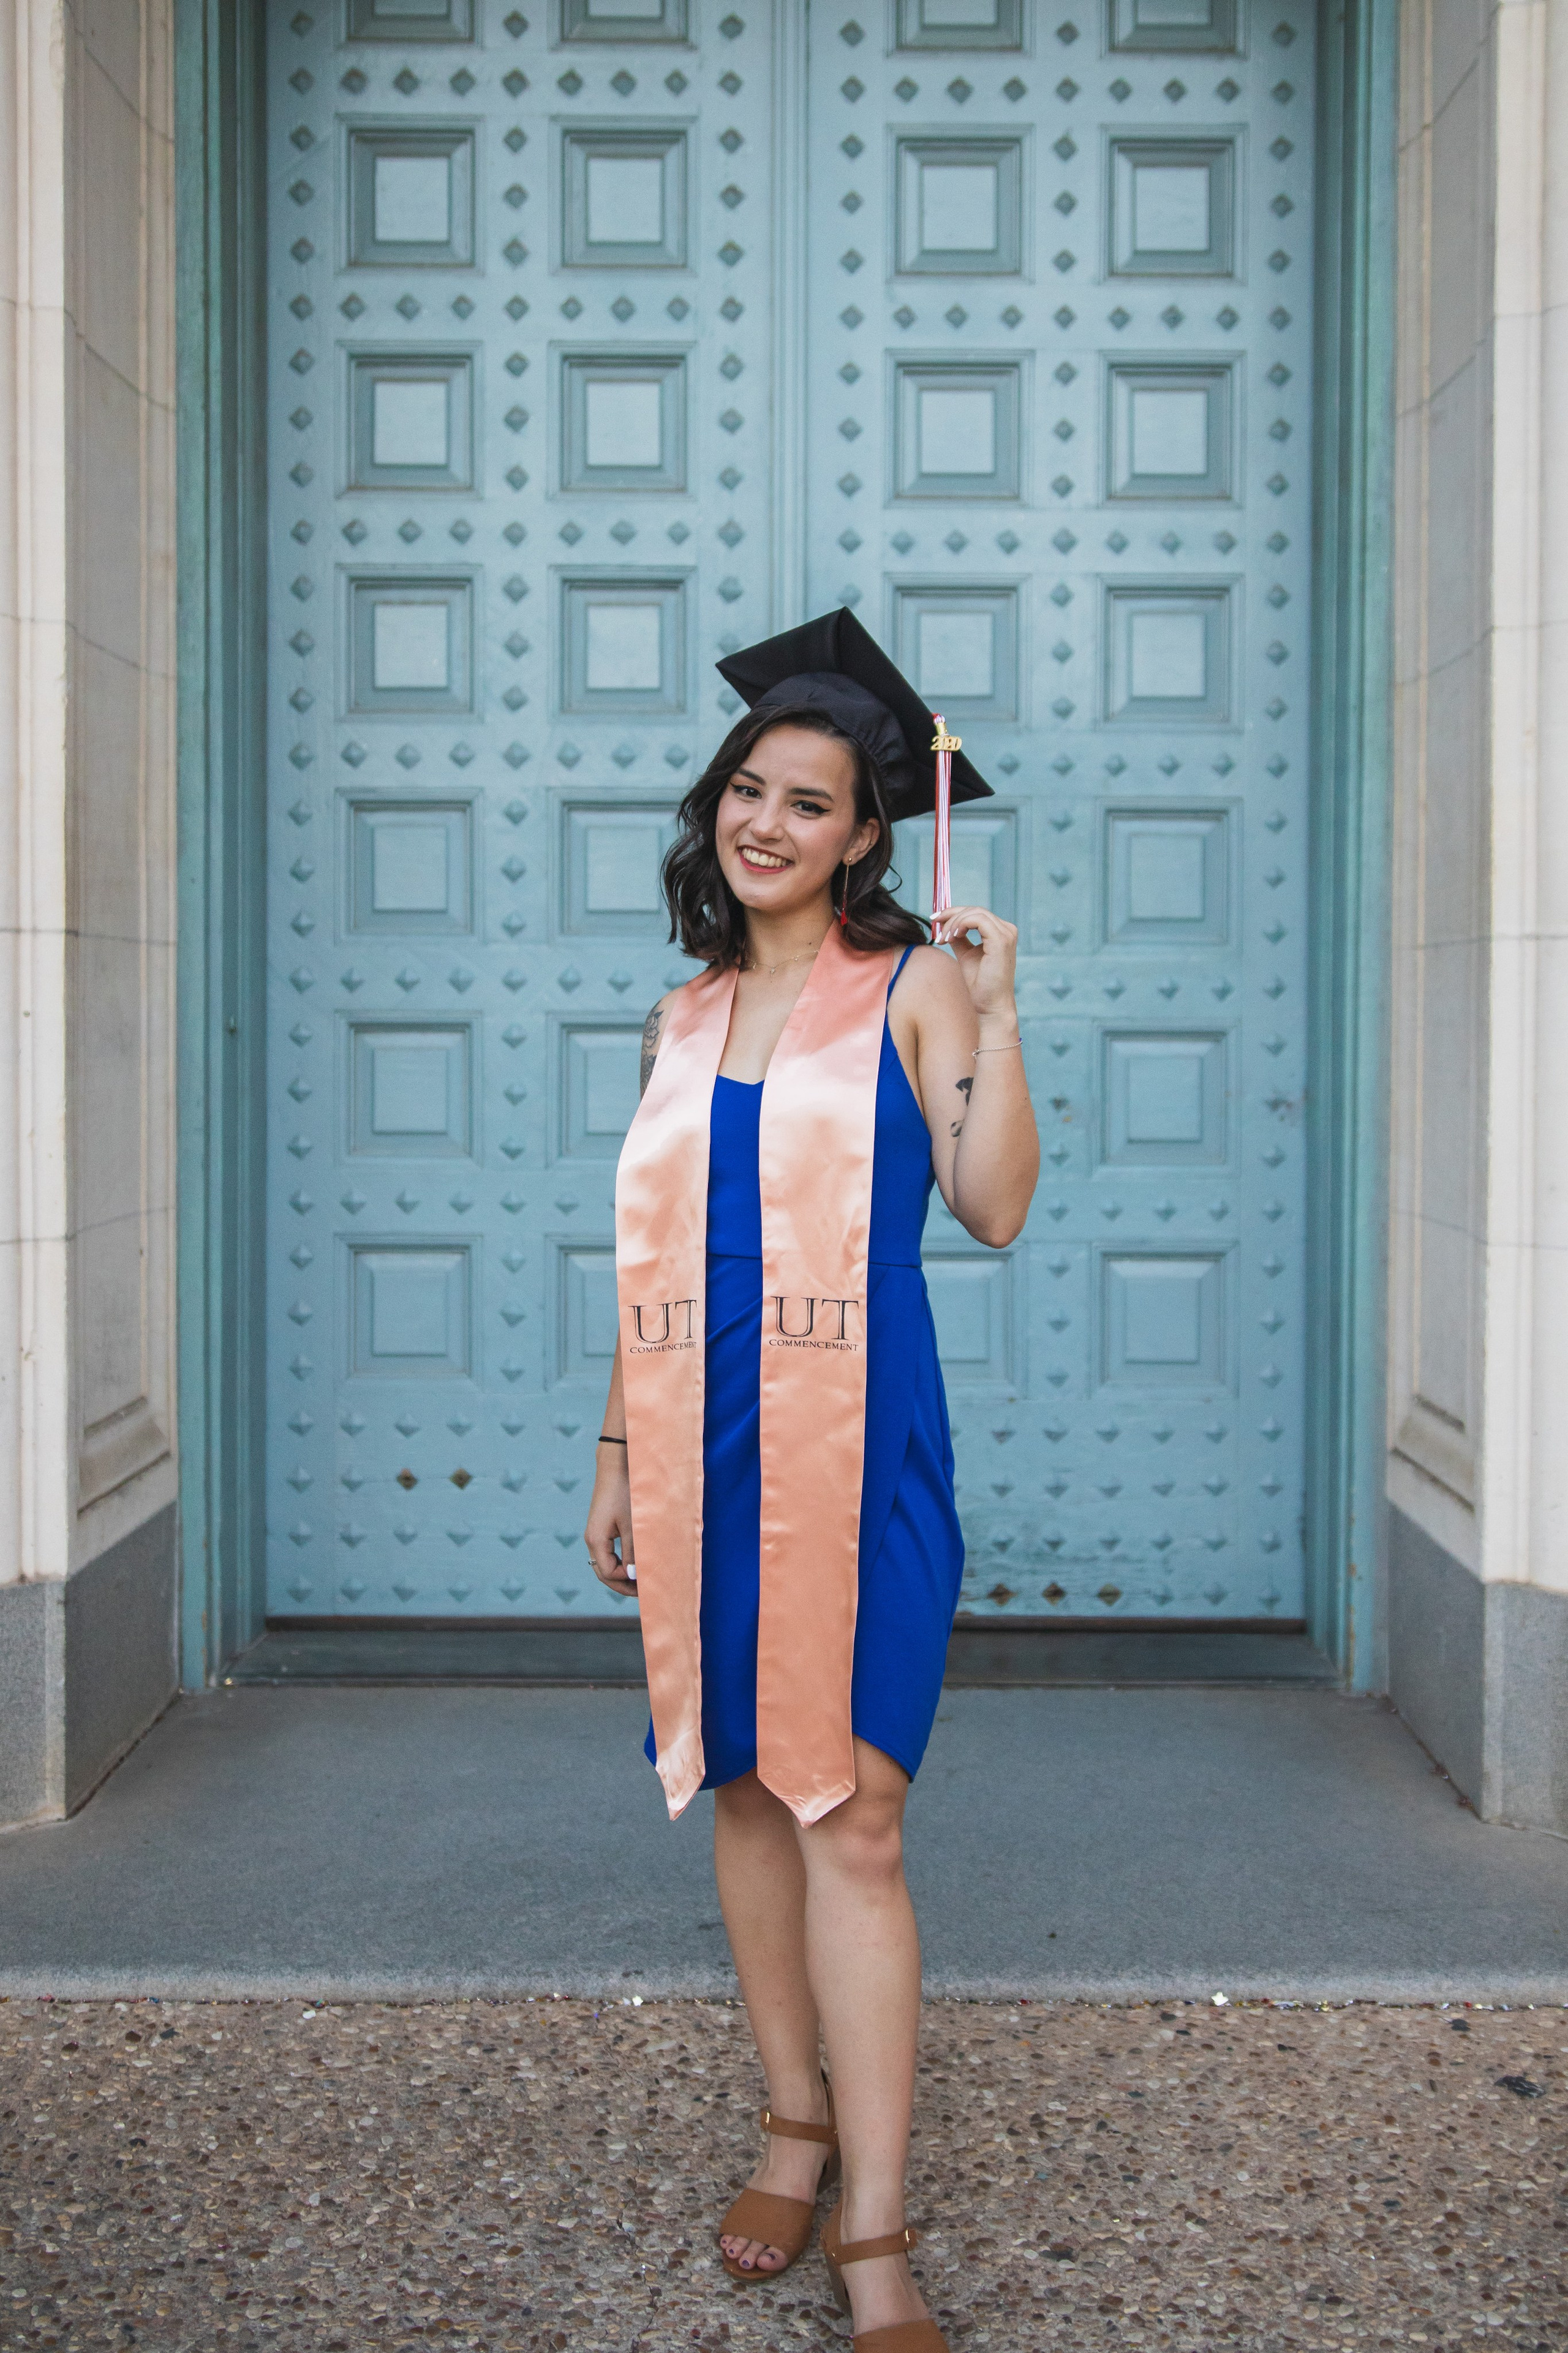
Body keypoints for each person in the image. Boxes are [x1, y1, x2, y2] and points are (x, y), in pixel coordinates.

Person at [584, 610, 1039, 2352]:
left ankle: (878, 2222)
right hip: (699, 1443)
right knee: (751, 1791)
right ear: (719, 811)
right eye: (748, 790)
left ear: (870, 832)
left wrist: (998, 1013)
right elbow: (639, 1256)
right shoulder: (682, 1010)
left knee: (858, 1807)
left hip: (863, 1448)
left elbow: (994, 1203)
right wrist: (617, 1447)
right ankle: (791, 2113)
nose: (769, 821)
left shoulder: (914, 983)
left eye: (814, 799)